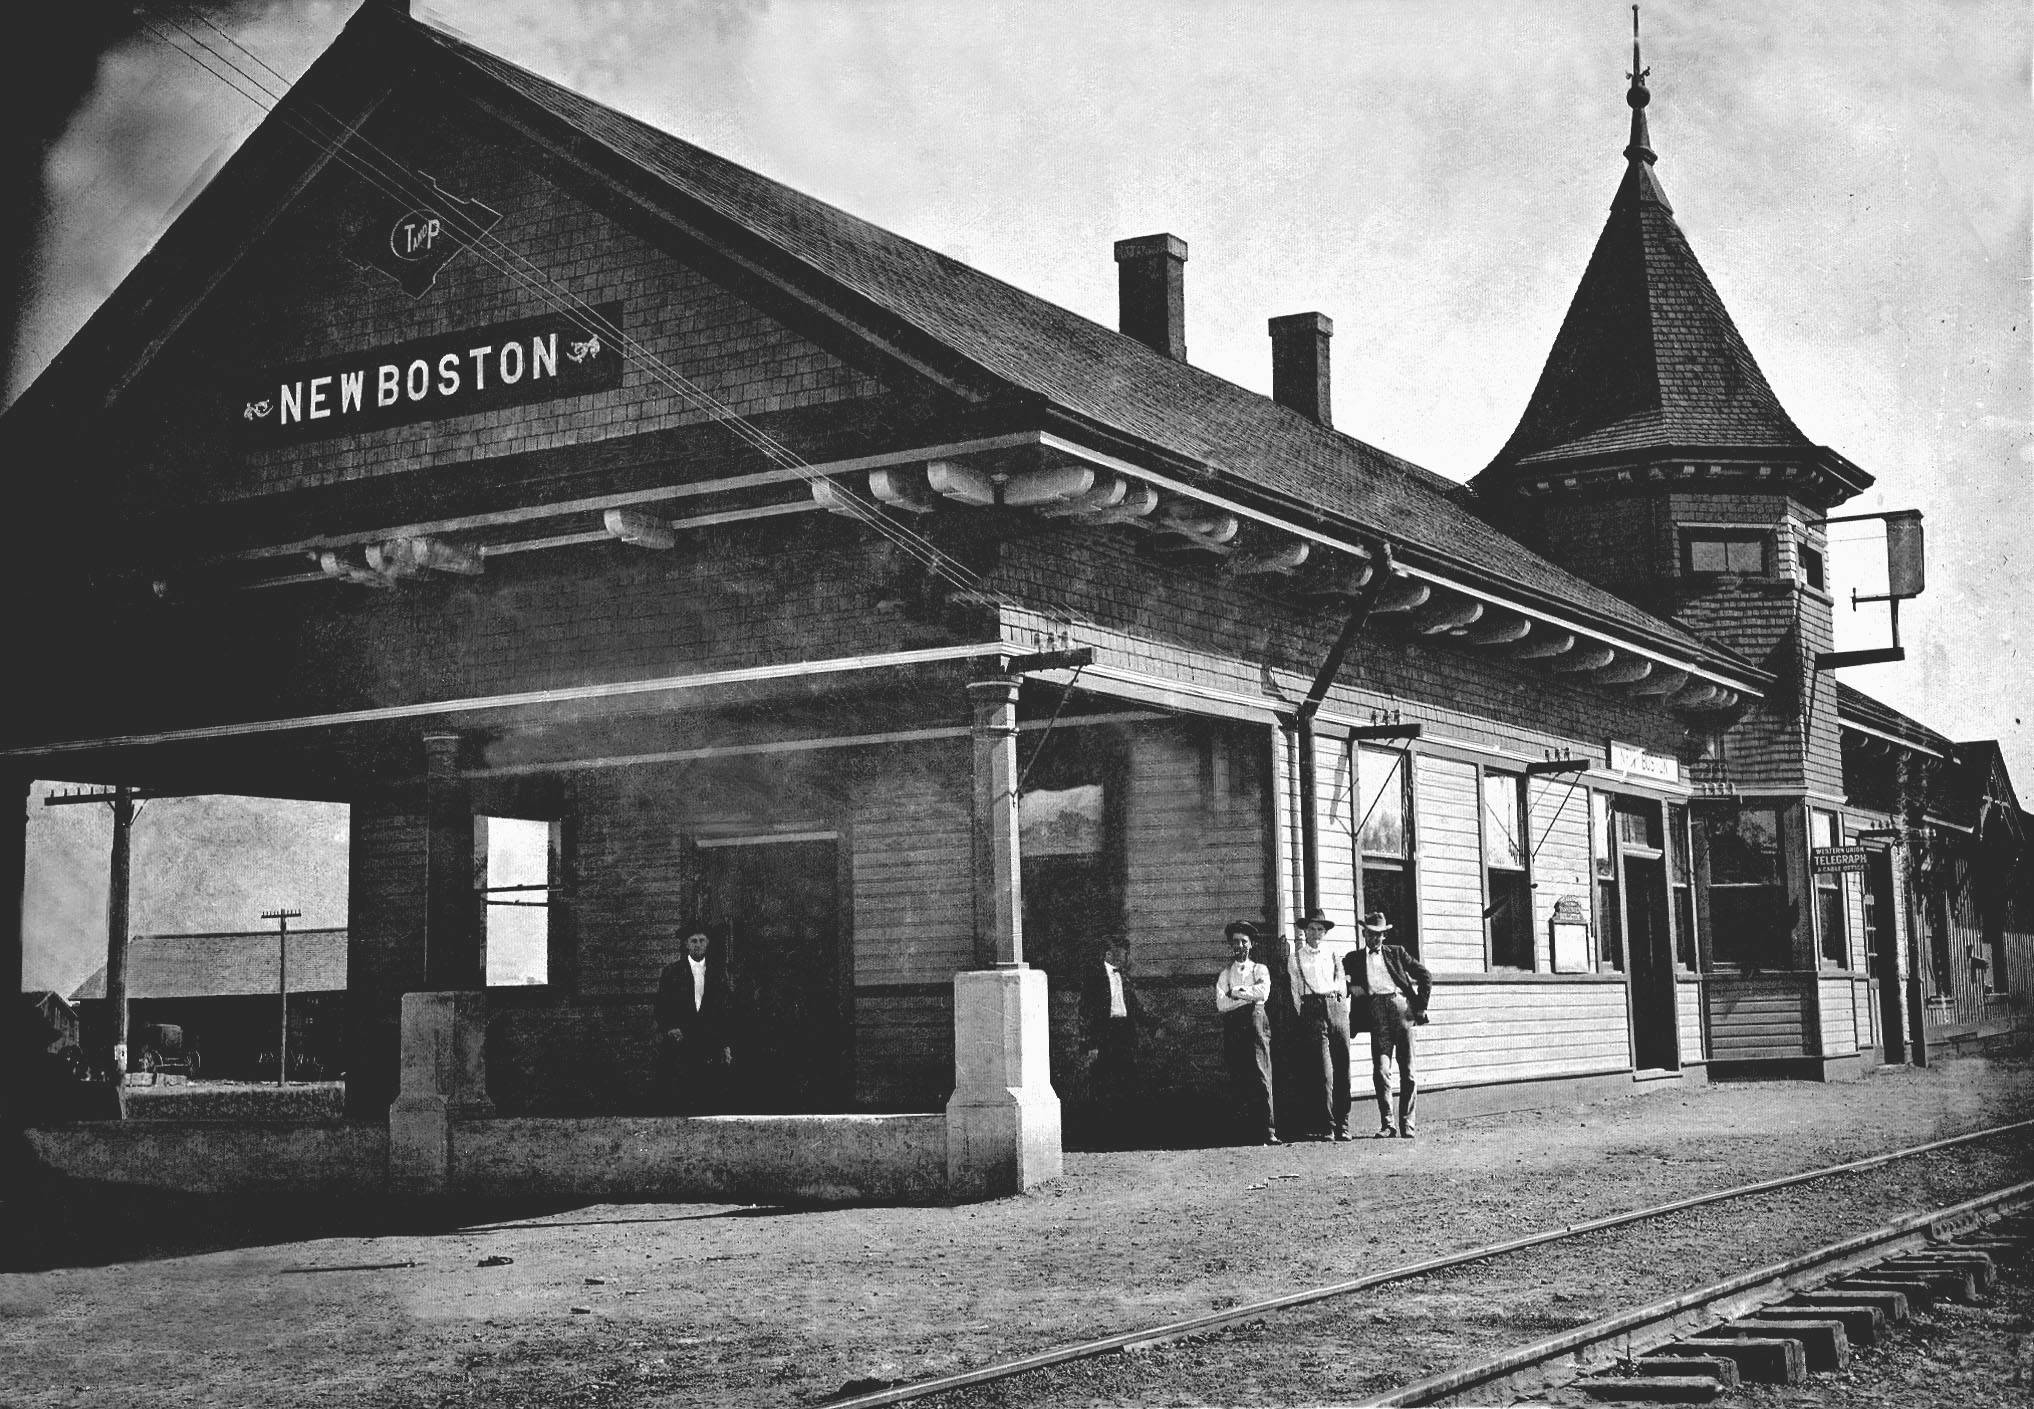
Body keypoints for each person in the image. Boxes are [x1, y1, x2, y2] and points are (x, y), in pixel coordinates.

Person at [1344, 909, 1432, 1138]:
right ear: (1364, 934)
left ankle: (1407, 1124)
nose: (1376, 938)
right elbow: (1334, 979)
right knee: (1381, 1070)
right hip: (1375, 1013)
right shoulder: (1353, 958)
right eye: (1371, 933)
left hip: (1400, 1010)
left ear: (1385, 936)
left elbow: (1425, 975)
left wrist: (1420, 1006)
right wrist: (1351, 988)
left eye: (1380, 934)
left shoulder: (1397, 953)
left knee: (1408, 1071)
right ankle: (1388, 1124)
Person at [1286, 908, 1352, 1140]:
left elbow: (1341, 981)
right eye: (1311, 929)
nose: (1315, 933)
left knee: (1343, 1067)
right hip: (1312, 1011)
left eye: (1320, 929)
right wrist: (1304, 1014)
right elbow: (1295, 991)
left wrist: (1342, 1007)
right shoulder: (1296, 958)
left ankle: (1343, 1124)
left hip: (1336, 1008)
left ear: (1325, 933)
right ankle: (1328, 1125)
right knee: (1324, 1073)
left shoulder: (1333, 954)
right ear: (1304, 931)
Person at [654, 926, 733, 1113]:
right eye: (693, 941)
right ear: (686, 945)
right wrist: (670, 1028)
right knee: (682, 1085)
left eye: (702, 941)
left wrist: (725, 1041)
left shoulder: (717, 973)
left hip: (709, 1038)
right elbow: (661, 1006)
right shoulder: (672, 972)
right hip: (682, 1038)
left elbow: (725, 1009)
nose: (698, 945)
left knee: (709, 1086)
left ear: (708, 944)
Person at [1214, 920, 1278, 1145]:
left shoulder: (1259, 969)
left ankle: (1268, 1130)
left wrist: (1236, 992)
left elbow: (1263, 993)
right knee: (1239, 1074)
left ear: (1251, 945)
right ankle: (1245, 1131)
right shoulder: (1225, 973)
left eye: (1244, 942)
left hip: (1256, 1024)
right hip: (1234, 1027)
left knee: (1261, 1074)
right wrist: (1245, 996)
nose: (1239, 946)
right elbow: (1221, 1004)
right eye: (1235, 942)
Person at [1079, 939, 1145, 1125]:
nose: (1126, 956)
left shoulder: (1124, 977)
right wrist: (1091, 1044)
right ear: (1109, 954)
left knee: (1127, 1080)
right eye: (1123, 952)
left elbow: (1135, 1007)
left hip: (1124, 1034)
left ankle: (1125, 1127)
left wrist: (1155, 1024)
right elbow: (1085, 1013)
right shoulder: (1095, 979)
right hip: (1104, 1035)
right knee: (1103, 1081)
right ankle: (1103, 1129)